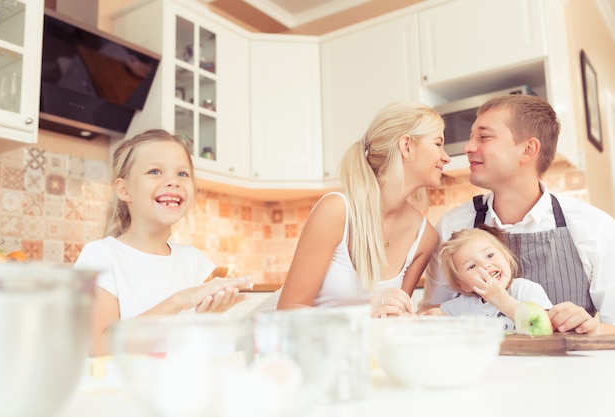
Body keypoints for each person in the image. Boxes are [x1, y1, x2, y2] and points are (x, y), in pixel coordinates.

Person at [421, 94, 615, 334]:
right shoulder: (453, 225)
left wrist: (593, 328)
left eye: (483, 137)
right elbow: (432, 312)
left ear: (528, 149)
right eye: (471, 137)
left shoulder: (595, 227)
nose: (468, 147)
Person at [74, 129, 252, 356]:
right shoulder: (101, 256)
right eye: (155, 171)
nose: (173, 182)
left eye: (182, 174)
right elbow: (99, 346)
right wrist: (178, 301)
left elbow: (196, 348)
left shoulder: (194, 261)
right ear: (124, 189)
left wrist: (210, 317)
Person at [277, 102, 450, 318]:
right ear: (407, 146)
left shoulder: (424, 238)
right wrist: (362, 314)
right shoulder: (336, 211)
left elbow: (391, 319)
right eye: (438, 143)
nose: (446, 157)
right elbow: (286, 314)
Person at [435, 225, 552, 331]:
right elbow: (433, 323)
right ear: (464, 285)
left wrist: (501, 300)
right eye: (472, 266)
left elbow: (546, 329)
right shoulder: (457, 309)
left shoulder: (526, 290)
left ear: (506, 258)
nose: (485, 265)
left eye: (490, 255)